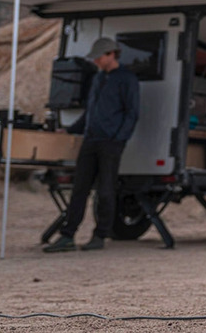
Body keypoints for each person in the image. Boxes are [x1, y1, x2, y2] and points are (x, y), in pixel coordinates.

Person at [43, 37, 140, 253]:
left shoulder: (126, 79)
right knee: (79, 189)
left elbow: (132, 113)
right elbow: (90, 112)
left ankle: (100, 235)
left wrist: (118, 138)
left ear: (110, 54)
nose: (95, 61)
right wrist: (70, 129)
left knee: (106, 190)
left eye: (98, 57)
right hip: (91, 139)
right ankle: (67, 236)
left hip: (110, 143)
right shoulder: (98, 79)